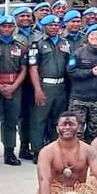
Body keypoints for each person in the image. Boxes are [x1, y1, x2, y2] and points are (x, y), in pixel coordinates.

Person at [35, 112, 97, 194]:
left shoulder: (89, 150)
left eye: (71, 124)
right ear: (57, 128)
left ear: (79, 128)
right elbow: (43, 179)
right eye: (64, 124)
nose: (67, 127)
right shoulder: (46, 152)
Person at [0, 15, 27, 165]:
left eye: (10, 26)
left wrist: (13, 86)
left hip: (15, 87)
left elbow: (24, 69)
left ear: (14, 28)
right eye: (4, 26)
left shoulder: (20, 46)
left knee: (11, 121)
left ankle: (9, 152)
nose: (7, 29)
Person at [28, 15, 71, 158]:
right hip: (45, 86)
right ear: (43, 26)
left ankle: (54, 149)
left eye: (56, 25)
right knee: (39, 120)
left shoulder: (64, 43)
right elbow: (33, 68)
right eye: (50, 25)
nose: (54, 27)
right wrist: (37, 90)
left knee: (57, 120)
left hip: (61, 87)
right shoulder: (37, 43)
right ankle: (37, 151)